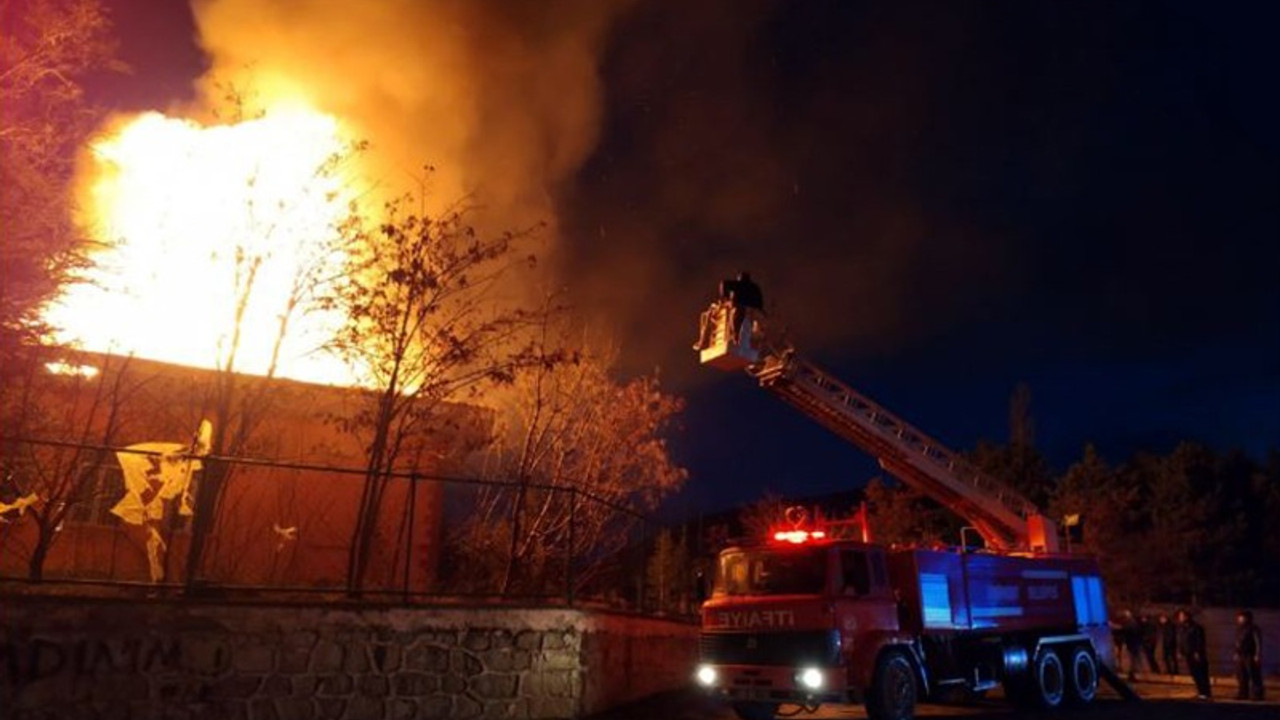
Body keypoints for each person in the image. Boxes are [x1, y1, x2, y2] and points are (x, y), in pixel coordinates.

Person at [1177, 608, 1212, 700]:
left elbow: (1200, 641)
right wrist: (1181, 651)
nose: (1180, 618)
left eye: (1182, 616)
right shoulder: (1183, 628)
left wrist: (1198, 652)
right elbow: (1181, 640)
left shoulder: (1196, 627)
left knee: (1201, 673)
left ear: (1187, 617)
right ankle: (1201, 692)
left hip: (1196, 654)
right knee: (1195, 674)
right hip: (1188, 654)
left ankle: (1205, 693)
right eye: (1180, 616)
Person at [1234, 609, 1264, 701]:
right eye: (1239, 617)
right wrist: (1236, 653)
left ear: (1247, 618)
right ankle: (1243, 693)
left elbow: (1258, 642)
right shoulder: (1240, 628)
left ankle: (1257, 694)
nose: (1239, 619)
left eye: (1241, 617)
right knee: (1241, 675)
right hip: (1241, 655)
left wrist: (1257, 654)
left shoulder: (1253, 628)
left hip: (1250, 654)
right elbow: (1238, 642)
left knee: (1253, 674)